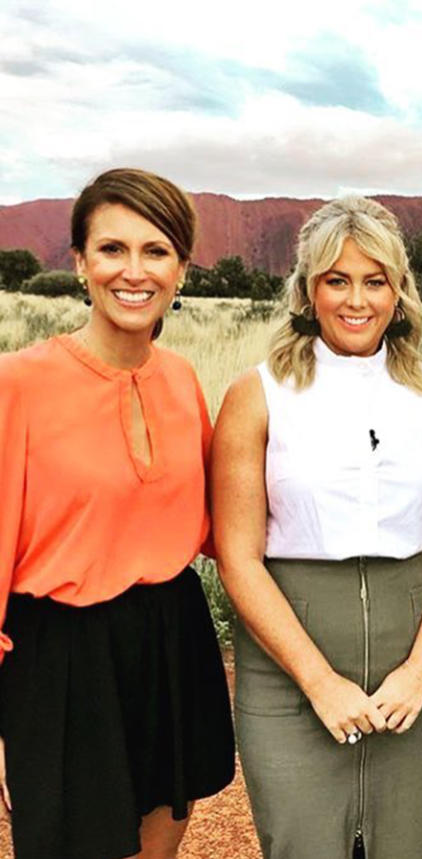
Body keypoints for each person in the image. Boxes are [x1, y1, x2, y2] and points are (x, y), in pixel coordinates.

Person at [212, 195, 422, 859]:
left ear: (398, 290)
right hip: (289, 662)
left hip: (409, 658)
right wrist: (319, 680)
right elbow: (237, 555)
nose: (356, 300)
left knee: (402, 846)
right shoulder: (258, 393)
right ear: (308, 289)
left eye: (375, 280)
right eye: (337, 279)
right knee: (302, 843)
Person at [0, 168, 235, 859]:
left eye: (156, 251)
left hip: (171, 635)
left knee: (159, 841)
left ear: (182, 267)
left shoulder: (182, 378)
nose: (134, 272)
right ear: (79, 262)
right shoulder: (18, 382)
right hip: (62, 655)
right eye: (112, 249)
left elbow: (226, 527)